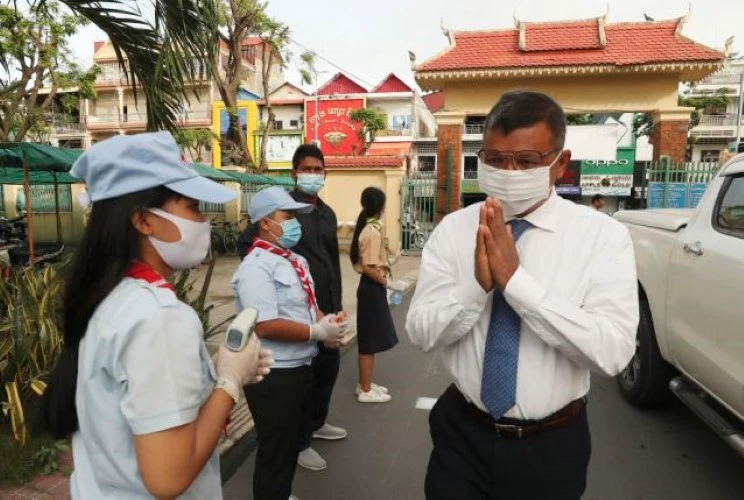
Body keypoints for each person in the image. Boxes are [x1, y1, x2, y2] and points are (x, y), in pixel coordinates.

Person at [406, 91, 639, 499]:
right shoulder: (453, 231)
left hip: (550, 446)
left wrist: (517, 286)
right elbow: (421, 333)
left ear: (559, 164)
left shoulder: (603, 237)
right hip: (463, 437)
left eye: (527, 161)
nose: (509, 171)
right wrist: (474, 288)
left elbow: (613, 352)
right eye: (495, 159)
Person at [34, 131, 273, 499]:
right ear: (143, 221)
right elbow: (168, 477)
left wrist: (209, 371)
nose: (203, 221)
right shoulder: (158, 316)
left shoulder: (110, 295)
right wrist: (228, 383)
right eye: (191, 207)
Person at [233, 187, 348, 500]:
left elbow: (309, 305)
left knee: (292, 441)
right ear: (265, 223)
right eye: (288, 216)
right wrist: (315, 333)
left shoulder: (294, 259)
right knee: (276, 448)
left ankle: (280, 494)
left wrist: (328, 323)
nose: (295, 222)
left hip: (301, 366)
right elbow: (266, 324)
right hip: (274, 372)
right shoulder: (256, 267)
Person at [351, 187, 406, 403]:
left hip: (370, 287)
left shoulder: (368, 228)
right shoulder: (372, 232)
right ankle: (365, 390)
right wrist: (389, 283)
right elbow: (368, 267)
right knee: (369, 341)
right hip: (372, 287)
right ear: (381, 207)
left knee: (370, 338)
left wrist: (390, 262)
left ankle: (364, 383)